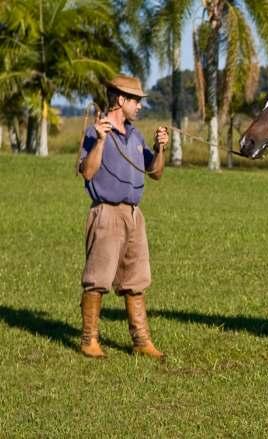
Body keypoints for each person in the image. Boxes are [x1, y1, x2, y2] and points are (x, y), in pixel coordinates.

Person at [77, 74, 169, 359]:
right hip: (106, 212)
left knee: (136, 280)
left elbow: (155, 173)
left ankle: (141, 341)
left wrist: (160, 148)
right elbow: (87, 172)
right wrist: (102, 141)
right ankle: (89, 339)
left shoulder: (135, 135)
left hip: (133, 215)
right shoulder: (95, 132)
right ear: (120, 100)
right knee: (98, 278)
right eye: (136, 101)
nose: (140, 106)